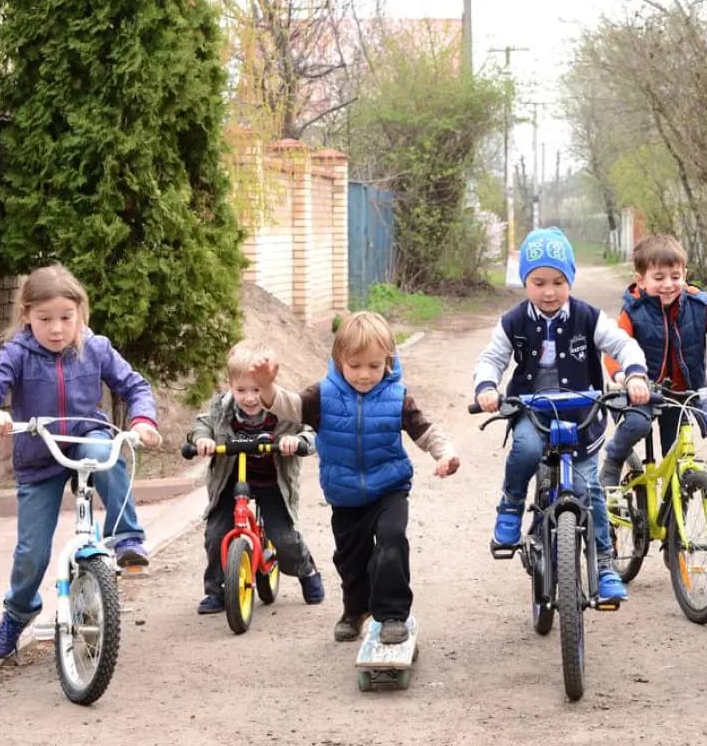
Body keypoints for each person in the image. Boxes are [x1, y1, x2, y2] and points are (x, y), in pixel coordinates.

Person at [0, 264, 163, 659]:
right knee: (32, 554)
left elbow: (135, 386)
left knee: (102, 451)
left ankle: (127, 537)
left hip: (84, 437)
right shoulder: (17, 354)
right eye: (45, 319)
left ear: (80, 314)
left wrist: (143, 420)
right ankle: (18, 611)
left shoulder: (95, 348)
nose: (56, 329)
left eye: (66, 318)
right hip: (39, 455)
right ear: (26, 315)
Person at [254, 311, 459, 645]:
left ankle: (392, 614)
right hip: (345, 495)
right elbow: (288, 405)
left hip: (389, 489)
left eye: (374, 366)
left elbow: (425, 431)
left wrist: (445, 454)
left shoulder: (396, 396)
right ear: (339, 360)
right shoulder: (322, 396)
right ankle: (355, 610)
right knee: (351, 560)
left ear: (388, 361)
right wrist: (266, 386)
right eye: (355, 365)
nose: (365, 375)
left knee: (392, 542)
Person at [473, 226, 651, 604]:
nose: (549, 292)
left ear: (570, 279)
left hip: (581, 415)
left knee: (590, 492)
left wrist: (635, 374)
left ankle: (604, 565)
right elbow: (492, 358)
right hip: (532, 412)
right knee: (525, 449)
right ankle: (511, 505)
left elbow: (622, 344)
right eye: (538, 283)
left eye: (558, 282)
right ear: (525, 281)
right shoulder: (513, 321)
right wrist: (487, 387)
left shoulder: (587, 317)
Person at [598, 233, 707, 489]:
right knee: (637, 424)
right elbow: (613, 348)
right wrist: (624, 377)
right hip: (642, 391)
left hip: (680, 394)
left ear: (685, 274)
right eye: (659, 278)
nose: (668, 285)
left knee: (676, 459)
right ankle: (614, 459)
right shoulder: (634, 311)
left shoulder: (698, 306)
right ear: (640, 280)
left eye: (675, 277)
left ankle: (675, 509)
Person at [186, 340, 325, 615]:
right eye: (241, 390)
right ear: (230, 385)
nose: (249, 398)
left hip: (272, 481)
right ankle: (217, 590)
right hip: (231, 479)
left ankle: (306, 569)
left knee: (283, 537)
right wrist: (202, 440)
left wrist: (296, 441)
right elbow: (202, 424)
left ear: (269, 383)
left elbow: (309, 431)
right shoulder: (222, 409)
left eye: (257, 390)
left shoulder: (284, 408)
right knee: (216, 534)